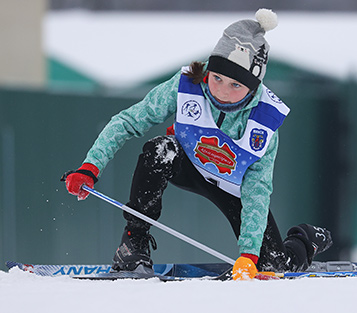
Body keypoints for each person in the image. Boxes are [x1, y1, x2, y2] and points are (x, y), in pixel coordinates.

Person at [63, 9, 332, 280]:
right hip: (187, 164)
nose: (223, 92)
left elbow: (257, 190)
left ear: (253, 88)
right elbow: (128, 121)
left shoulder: (264, 122)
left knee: (273, 267)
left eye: (235, 85)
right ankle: (134, 242)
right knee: (160, 150)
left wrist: (248, 256)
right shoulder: (187, 83)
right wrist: (90, 166)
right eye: (217, 78)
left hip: (234, 187)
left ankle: (304, 240)